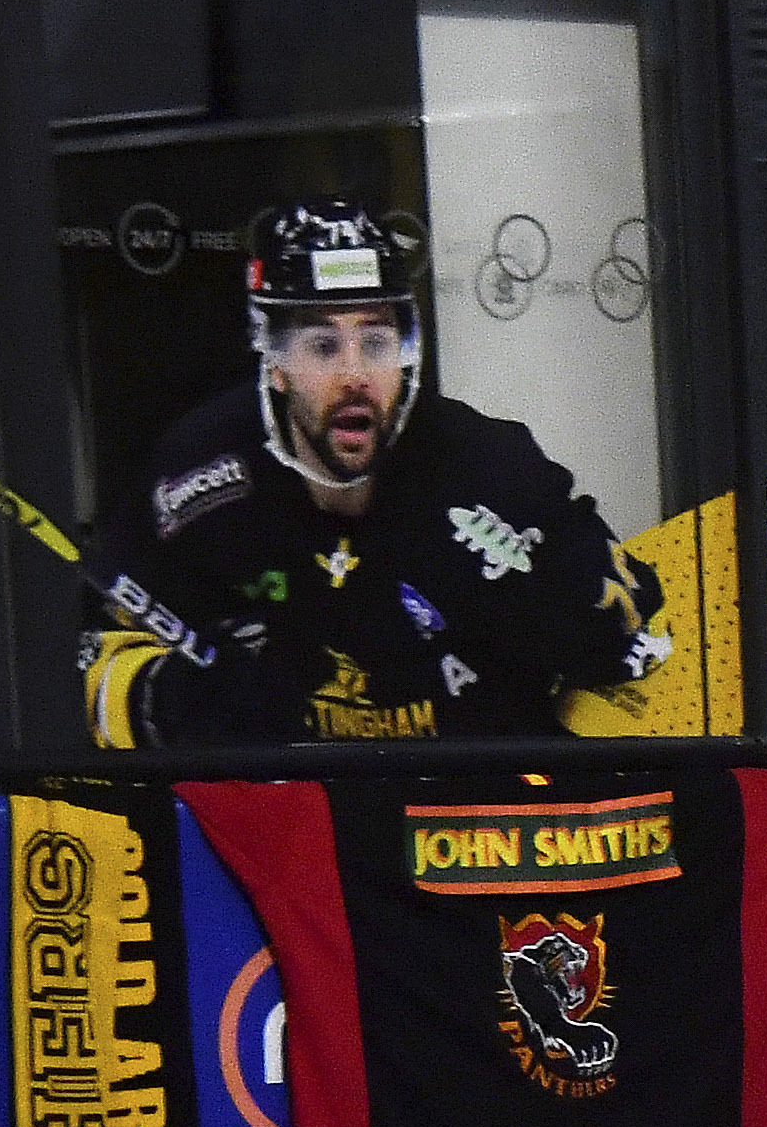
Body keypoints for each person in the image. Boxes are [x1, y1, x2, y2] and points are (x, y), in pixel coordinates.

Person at [77, 199, 662, 746]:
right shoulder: (200, 476)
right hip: (286, 835)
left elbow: (640, 650)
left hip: (470, 834)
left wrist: (567, 652)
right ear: (275, 362)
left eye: (376, 341)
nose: (355, 373)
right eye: (324, 345)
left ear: (407, 351)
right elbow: (89, 658)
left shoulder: (492, 476)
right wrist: (174, 705)